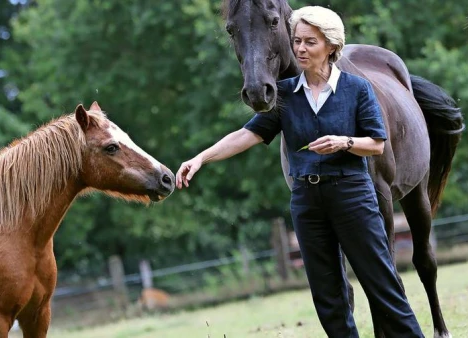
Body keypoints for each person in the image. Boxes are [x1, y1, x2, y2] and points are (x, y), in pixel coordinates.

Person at [176, 6, 424, 338]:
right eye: (297, 42)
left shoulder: (356, 89)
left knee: (384, 288)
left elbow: (377, 145)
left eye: (310, 42)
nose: (301, 49)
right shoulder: (288, 95)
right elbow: (247, 134)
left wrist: (344, 142)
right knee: (328, 298)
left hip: (352, 195)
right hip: (307, 202)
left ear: (331, 47)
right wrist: (201, 158)